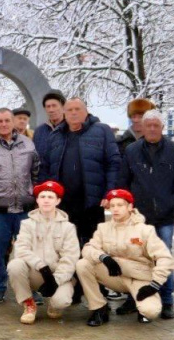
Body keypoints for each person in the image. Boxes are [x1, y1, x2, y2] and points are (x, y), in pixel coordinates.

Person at [116, 109, 174, 319]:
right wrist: (127, 209)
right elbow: (123, 182)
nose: (152, 129)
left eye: (156, 125)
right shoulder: (132, 151)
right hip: (137, 217)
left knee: (163, 258)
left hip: (165, 216)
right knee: (134, 257)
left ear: (162, 127)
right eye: (148, 125)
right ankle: (133, 298)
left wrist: (173, 203)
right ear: (142, 127)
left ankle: (167, 300)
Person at [76, 189, 174, 326]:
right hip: (115, 276)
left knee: (150, 311)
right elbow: (88, 249)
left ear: (130, 207)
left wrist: (155, 284)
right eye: (112, 206)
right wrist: (104, 258)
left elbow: (165, 259)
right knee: (83, 265)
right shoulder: (103, 228)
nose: (115, 209)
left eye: (120, 205)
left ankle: (140, 305)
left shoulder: (145, 230)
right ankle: (99, 308)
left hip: (139, 279)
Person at [0, 108, 40, 304]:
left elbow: (35, 173)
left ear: (13, 122)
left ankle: (32, 288)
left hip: (24, 209)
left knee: (29, 250)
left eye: (7, 120)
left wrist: (35, 197)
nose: (3, 124)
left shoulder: (28, 144)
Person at [38, 97, 121, 248]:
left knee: (92, 246)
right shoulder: (56, 135)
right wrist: (45, 195)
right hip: (64, 203)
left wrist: (110, 192)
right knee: (65, 246)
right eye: (70, 110)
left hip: (92, 202)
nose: (74, 113)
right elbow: (45, 166)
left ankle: (88, 272)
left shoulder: (101, 131)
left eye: (78, 109)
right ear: (64, 112)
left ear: (86, 111)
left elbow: (113, 163)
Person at [7, 181, 80, 323]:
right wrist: (41, 266)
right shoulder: (26, 224)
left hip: (59, 274)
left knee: (62, 301)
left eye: (51, 197)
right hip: (36, 272)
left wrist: (56, 280)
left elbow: (70, 258)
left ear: (58, 201)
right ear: (37, 200)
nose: (46, 200)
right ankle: (29, 304)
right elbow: (21, 250)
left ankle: (54, 306)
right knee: (15, 265)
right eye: (42, 196)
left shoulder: (68, 227)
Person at [33, 91, 66, 157]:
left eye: (54, 106)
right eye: (48, 106)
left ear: (63, 107)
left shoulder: (72, 128)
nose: (51, 110)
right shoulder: (39, 131)